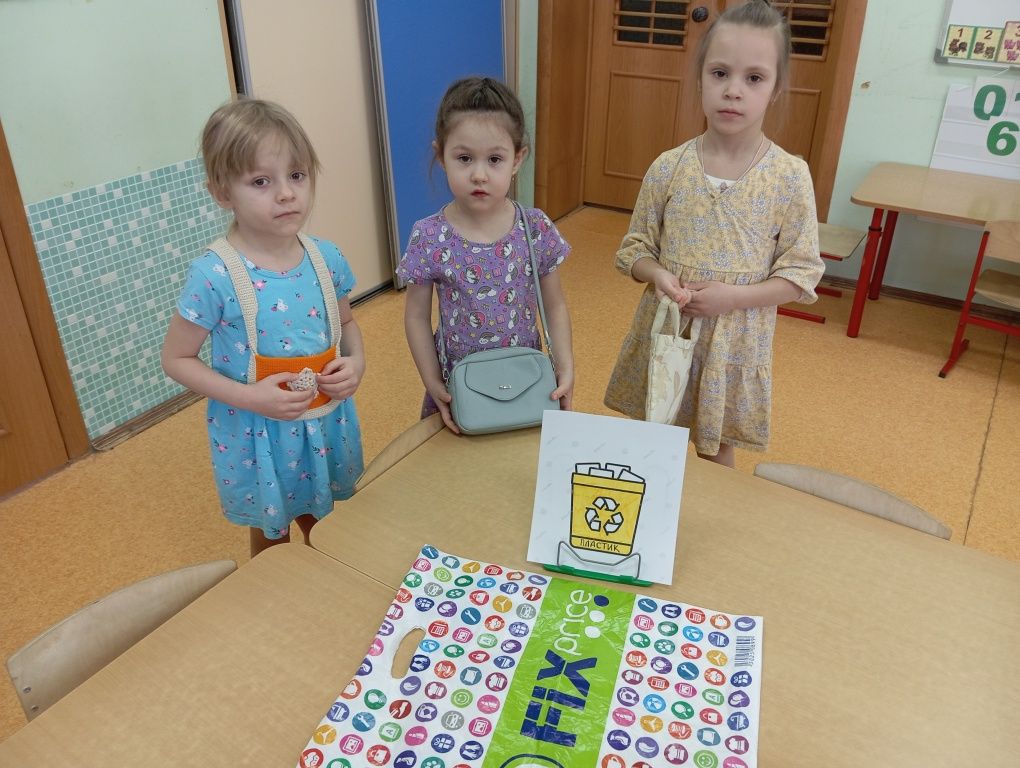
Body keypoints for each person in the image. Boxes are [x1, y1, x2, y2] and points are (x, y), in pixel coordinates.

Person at [604, 0, 823, 468]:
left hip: (733, 343)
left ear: (776, 89)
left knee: (715, 449)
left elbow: (800, 274)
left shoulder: (789, 176)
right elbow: (634, 249)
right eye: (720, 73)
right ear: (701, 78)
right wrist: (657, 274)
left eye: (754, 78)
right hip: (666, 329)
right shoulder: (669, 166)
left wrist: (733, 297)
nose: (733, 91)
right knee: (651, 440)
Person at [161, 99, 365, 557]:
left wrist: (357, 363)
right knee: (272, 534)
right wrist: (250, 397)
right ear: (222, 193)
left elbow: (347, 324)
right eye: (260, 181)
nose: (287, 194)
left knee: (330, 524)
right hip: (258, 434)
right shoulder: (214, 276)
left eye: (297, 175)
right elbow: (175, 359)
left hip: (325, 422)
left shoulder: (326, 257)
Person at [398, 76, 574, 433]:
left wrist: (565, 364)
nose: (479, 174)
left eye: (495, 159)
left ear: (517, 159)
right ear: (441, 156)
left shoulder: (534, 227)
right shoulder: (429, 236)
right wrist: (432, 380)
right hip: (459, 385)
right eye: (464, 158)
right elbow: (416, 317)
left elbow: (554, 305)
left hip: (526, 380)